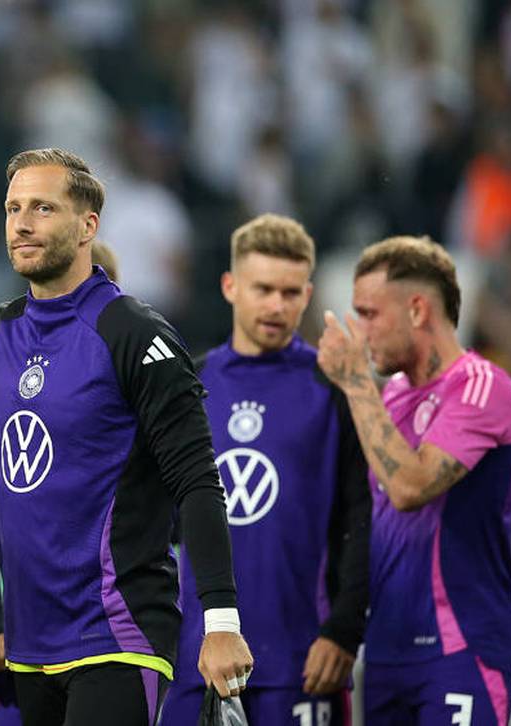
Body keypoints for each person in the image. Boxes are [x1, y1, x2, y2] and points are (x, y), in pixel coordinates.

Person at [0, 148, 253, 726]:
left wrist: (221, 621)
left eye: (43, 208)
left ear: (86, 226)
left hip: (117, 630)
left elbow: (198, 480)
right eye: (13, 208)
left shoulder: (135, 334)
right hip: (29, 641)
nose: (22, 223)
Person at [159, 214, 370, 725]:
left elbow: (362, 518)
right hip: (197, 659)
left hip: (302, 658)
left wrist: (343, 629)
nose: (277, 305)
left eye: (290, 292)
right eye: (263, 289)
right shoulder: (191, 384)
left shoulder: (332, 387)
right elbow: (160, 518)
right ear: (230, 286)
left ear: (308, 294)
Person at [318, 236, 511, 726]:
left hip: (460, 647)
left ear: (417, 310)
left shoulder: (483, 386)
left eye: (369, 314)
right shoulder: (389, 396)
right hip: (388, 650)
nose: (359, 330)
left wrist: (354, 383)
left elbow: (410, 487)